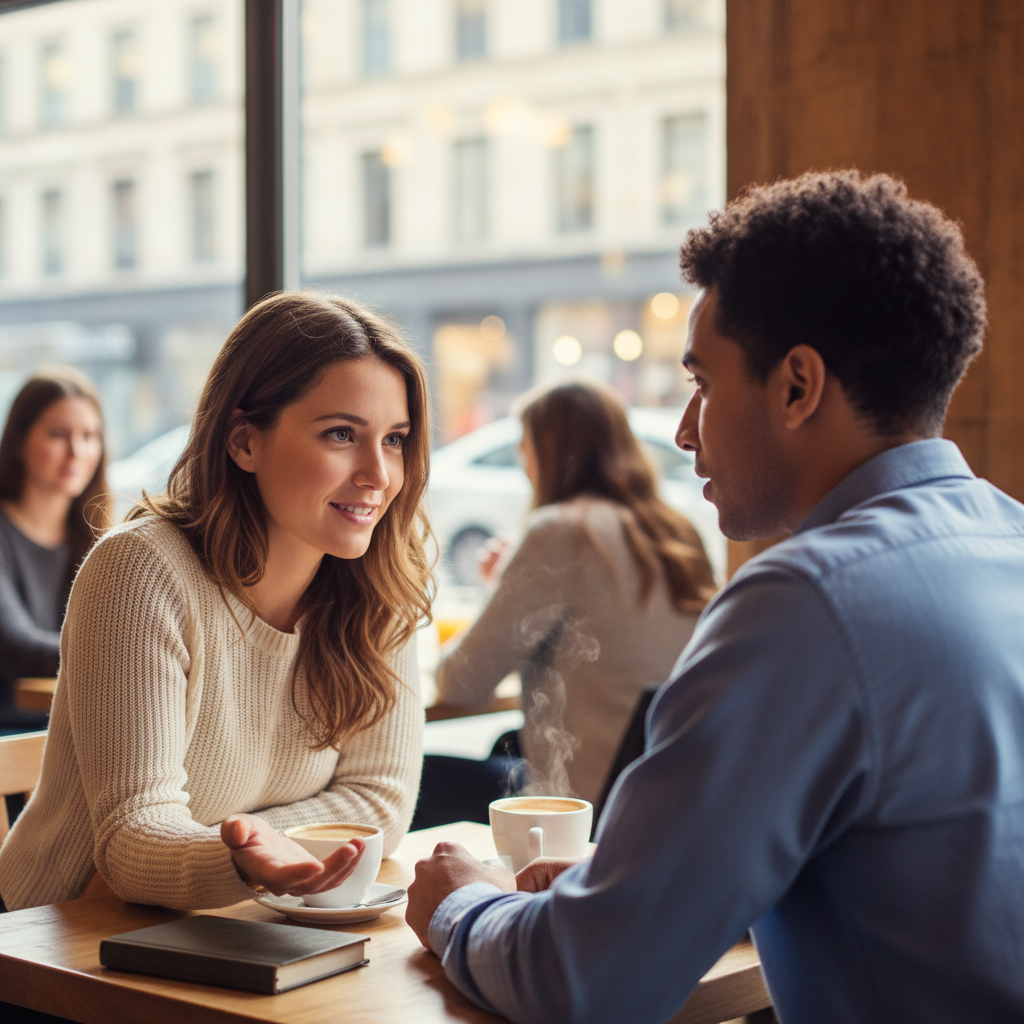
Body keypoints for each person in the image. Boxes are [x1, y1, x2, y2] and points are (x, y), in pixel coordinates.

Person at [406, 171, 1024, 1024]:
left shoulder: (805, 600)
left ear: (798, 387)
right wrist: (622, 885)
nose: (686, 428)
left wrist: (457, 903)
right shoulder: (1008, 541)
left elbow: (589, 986)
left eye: (701, 380)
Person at [0, 292, 432, 912]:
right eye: (342, 434)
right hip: (55, 943)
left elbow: (380, 803)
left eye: (394, 439)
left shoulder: (380, 586)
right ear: (243, 441)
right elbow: (132, 839)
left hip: (237, 922)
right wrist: (248, 854)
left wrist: (253, 846)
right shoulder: (140, 573)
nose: (379, 474)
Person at [417, 380, 714, 828]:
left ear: (548, 448)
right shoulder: (673, 530)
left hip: (585, 807)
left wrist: (498, 586)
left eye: (525, 447)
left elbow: (460, 682)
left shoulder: (561, 531)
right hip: (666, 793)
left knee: (416, 775)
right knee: (506, 744)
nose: (523, 464)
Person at [0, 368, 108, 731]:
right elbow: (16, 647)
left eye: (90, 436)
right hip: (12, 736)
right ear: (19, 441)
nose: (77, 451)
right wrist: (123, 651)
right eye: (58, 434)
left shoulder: (95, 536)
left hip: (72, 727)